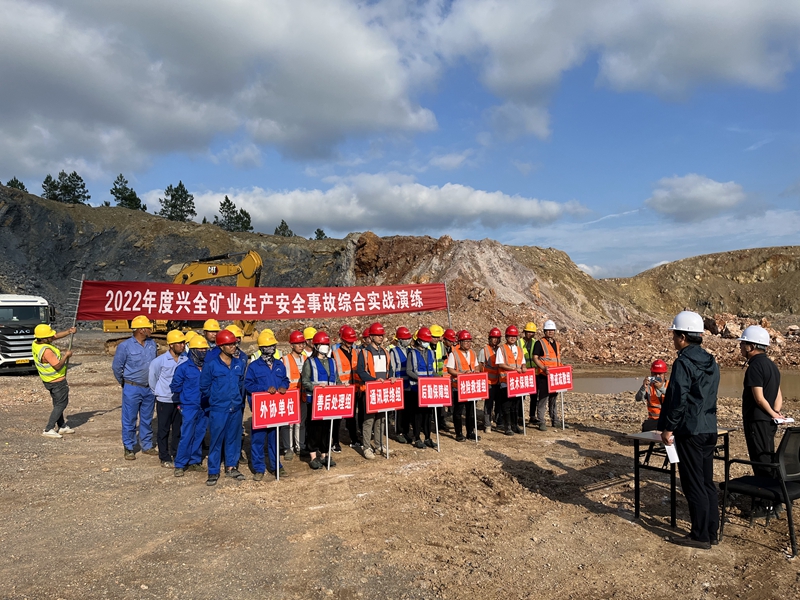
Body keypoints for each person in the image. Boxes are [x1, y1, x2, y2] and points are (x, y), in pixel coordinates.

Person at [659, 310, 720, 549]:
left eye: (674, 335)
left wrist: (668, 428)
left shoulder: (683, 362)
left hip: (691, 431)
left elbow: (678, 398)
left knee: (694, 484)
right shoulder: (711, 362)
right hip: (709, 428)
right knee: (706, 482)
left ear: (683, 337)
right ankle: (711, 532)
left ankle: (700, 536)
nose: (673, 339)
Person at [200, 329, 247, 486]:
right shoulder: (211, 365)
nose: (233, 347)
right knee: (216, 440)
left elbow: (240, 384)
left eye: (234, 344)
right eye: (229, 344)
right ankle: (213, 471)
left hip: (235, 408)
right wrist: (216, 398)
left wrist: (237, 400)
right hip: (219, 409)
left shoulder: (239, 364)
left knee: (233, 438)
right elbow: (204, 386)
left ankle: (231, 467)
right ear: (221, 346)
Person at [738, 325, 783, 479]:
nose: (741, 347)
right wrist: (776, 412)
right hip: (769, 421)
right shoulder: (772, 366)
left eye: (743, 343)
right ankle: (771, 488)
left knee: (760, 459)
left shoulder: (755, 367)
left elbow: (759, 398)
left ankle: (765, 491)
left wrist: (772, 413)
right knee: (768, 455)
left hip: (757, 421)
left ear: (751, 346)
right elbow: (778, 394)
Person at [245, 330, 290, 480]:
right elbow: (248, 385)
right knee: (258, 440)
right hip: (261, 410)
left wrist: (284, 386)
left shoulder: (279, 364)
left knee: (274, 439)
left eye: (273, 345)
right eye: (268, 346)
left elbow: (285, 380)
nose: (271, 348)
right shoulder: (254, 366)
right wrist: (264, 389)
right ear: (261, 348)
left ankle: (277, 466)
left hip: (275, 410)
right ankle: (259, 469)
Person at [112, 315, 158, 460]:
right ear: (141, 330)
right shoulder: (125, 346)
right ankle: (129, 447)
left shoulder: (152, 344)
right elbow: (117, 367)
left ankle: (147, 445)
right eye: (148, 328)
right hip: (132, 388)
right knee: (129, 419)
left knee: (147, 418)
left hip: (149, 388)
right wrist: (124, 383)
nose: (150, 330)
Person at [172, 335, 210, 476]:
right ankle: (180, 464)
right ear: (193, 350)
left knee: (199, 434)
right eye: (200, 349)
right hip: (189, 406)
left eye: (205, 349)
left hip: (204, 406)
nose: (203, 351)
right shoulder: (183, 368)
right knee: (186, 435)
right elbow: (175, 386)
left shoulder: (208, 367)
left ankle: (195, 461)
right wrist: (184, 400)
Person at [148, 330, 187, 467]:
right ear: (171, 345)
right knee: (163, 429)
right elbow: (152, 379)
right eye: (179, 343)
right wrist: (159, 393)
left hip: (179, 400)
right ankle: (164, 457)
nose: (182, 346)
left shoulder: (185, 360)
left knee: (178, 429)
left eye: (183, 343)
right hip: (164, 401)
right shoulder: (159, 361)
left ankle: (176, 453)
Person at [301, 331, 339, 469]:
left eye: (327, 344)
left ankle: (324, 454)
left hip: (329, 401)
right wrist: (316, 387)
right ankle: (313, 456)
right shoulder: (310, 362)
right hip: (315, 400)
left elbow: (337, 379)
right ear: (316, 346)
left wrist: (342, 386)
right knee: (314, 428)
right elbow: (305, 381)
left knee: (327, 428)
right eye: (323, 344)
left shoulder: (332, 361)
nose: (325, 347)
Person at [356, 322, 394, 459]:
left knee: (381, 419)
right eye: (377, 335)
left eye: (381, 335)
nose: (380, 337)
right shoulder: (364, 353)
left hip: (382, 390)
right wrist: (373, 380)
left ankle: (379, 445)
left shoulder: (385, 351)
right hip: (369, 390)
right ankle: (366, 447)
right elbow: (361, 371)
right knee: (369, 420)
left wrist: (391, 378)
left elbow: (389, 369)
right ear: (371, 337)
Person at [32, 324, 77, 438]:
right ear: (44, 338)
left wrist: (68, 331)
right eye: (50, 336)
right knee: (61, 404)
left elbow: (55, 336)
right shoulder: (47, 351)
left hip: (48, 381)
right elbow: (57, 366)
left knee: (57, 403)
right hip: (57, 381)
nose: (52, 337)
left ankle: (62, 426)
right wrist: (66, 356)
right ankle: (49, 428)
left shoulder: (36, 343)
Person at [446, 330, 481, 442]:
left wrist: (475, 371)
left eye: (469, 341)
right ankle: (459, 433)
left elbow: (476, 366)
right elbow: (450, 369)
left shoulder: (473, 353)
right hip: (458, 386)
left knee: (471, 411)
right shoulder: (454, 354)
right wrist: (462, 374)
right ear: (460, 342)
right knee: (458, 411)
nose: (468, 343)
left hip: (470, 386)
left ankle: (470, 432)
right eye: (465, 341)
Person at [406, 327, 437, 447]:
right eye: (425, 340)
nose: (427, 343)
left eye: (428, 341)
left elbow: (431, 370)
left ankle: (428, 437)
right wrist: (419, 379)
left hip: (428, 389)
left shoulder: (430, 352)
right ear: (419, 340)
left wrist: (439, 378)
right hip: (416, 389)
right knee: (417, 415)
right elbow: (409, 371)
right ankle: (417, 437)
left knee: (428, 414)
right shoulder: (412, 353)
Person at [532, 320, 564, 431]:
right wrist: (543, 368)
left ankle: (555, 420)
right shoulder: (539, 343)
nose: (550, 332)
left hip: (555, 377)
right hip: (544, 376)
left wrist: (564, 368)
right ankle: (541, 421)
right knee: (543, 399)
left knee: (553, 400)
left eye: (552, 330)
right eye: (548, 330)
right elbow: (535, 357)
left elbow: (557, 360)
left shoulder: (556, 344)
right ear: (544, 331)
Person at [495, 325, 526, 436]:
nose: (512, 338)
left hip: (517, 382)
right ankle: (507, 427)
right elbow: (500, 364)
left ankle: (515, 425)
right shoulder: (502, 349)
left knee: (515, 405)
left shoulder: (519, 349)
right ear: (506, 337)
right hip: (506, 381)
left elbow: (522, 362)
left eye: (514, 336)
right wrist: (513, 369)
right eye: (510, 336)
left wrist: (524, 367)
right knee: (506, 405)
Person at [333, 326, 361, 450]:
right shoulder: (335, 354)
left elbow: (358, 372)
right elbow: (333, 373)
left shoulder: (356, 353)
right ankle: (335, 442)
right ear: (343, 340)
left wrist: (359, 387)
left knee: (351, 416)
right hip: (341, 390)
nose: (350, 343)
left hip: (354, 389)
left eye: (352, 341)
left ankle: (354, 439)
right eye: (348, 341)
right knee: (338, 418)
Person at [281, 330, 307, 459]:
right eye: (298, 343)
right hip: (290, 396)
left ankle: (300, 446)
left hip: (302, 396)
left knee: (301, 423)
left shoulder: (306, 359)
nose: (301, 346)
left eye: (302, 343)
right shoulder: (285, 360)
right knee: (288, 424)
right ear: (291, 345)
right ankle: (288, 448)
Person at [390, 326, 414, 445]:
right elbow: (392, 369)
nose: (407, 340)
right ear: (399, 340)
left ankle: (406, 431)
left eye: (408, 338)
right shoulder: (394, 351)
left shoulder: (410, 351)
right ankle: (399, 432)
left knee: (408, 410)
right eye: (405, 338)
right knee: (399, 411)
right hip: (399, 385)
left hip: (410, 384)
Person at [478, 328, 502, 433]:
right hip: (489, 382)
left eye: (497, 338)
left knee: (499, 403)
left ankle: (498, 422)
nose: (495, 340)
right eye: (493, 338)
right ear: (489, 339)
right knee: (488, 404)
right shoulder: (484, 351)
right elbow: (480, 366)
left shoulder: (501, 350)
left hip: (499, 381)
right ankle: (487, 424)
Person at [635, 360, 669, 432]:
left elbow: (675, 398)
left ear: (665, 375)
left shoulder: (670, 385)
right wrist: (643, 387)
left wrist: (661, 388)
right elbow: (638, 398)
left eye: (660, 374)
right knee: (646, 427)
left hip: (668, 420)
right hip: (654, 421)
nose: (657, 376)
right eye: (655, 374)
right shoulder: (649, 386)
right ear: (651, 374)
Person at [520, 322, 538, 425]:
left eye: (532, 332)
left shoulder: (535, 342)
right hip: (522, 373)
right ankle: (519, 416)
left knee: (534, 396)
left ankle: (532, 416)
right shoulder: (519, 342)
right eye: (528, 332)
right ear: (524, 332)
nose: (530, 334)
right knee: (521, 396)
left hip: (533, 373)